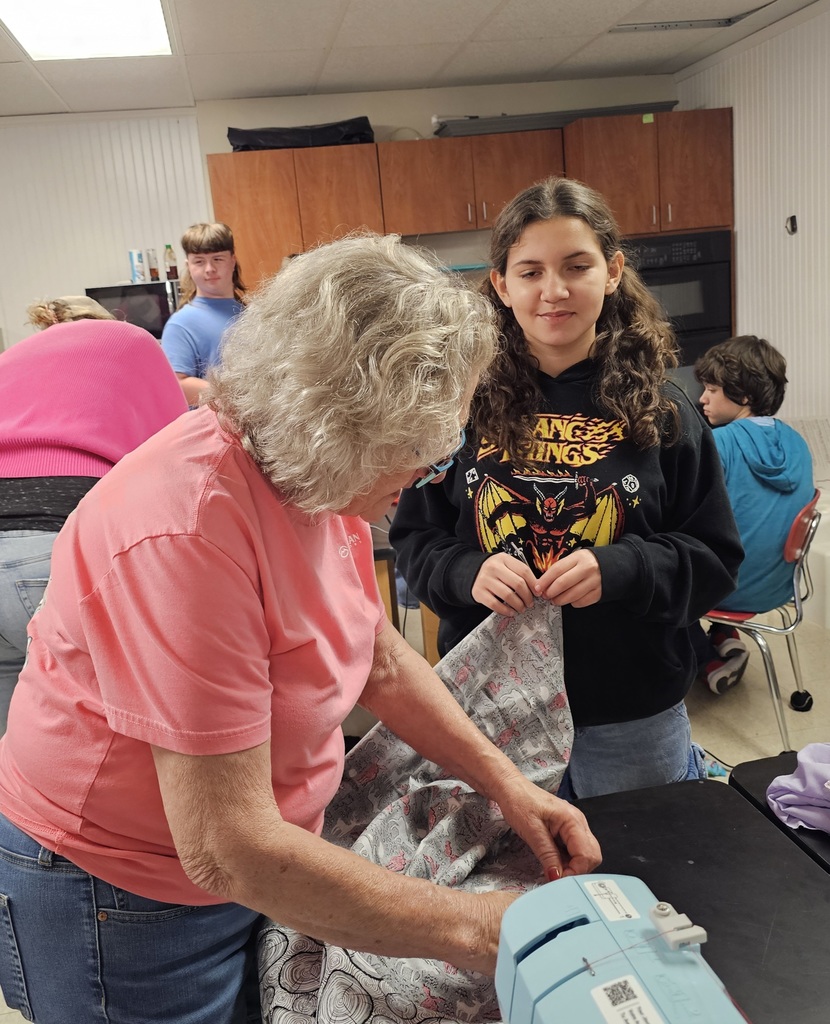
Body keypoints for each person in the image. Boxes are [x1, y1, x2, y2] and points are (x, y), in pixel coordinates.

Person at [0, 234, 601, 1024]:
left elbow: (378, 656)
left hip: (238, 868)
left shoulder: (312, 481)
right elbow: (229, 847)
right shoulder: (186, 531)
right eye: (423, 449)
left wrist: (508, 784)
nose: (428, 476)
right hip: (122, 896)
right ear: (341, 425)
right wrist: (484, 928)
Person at [390, 177, 744, 801]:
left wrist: (625, 566)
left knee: (645, 881)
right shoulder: (456, 409)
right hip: (491, 710)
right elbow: (415, 541)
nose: (553, 291)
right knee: (511, 886)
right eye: (530, 272)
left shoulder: (664, 412)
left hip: (632, 712)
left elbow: (715, 561)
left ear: (611, 273)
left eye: (575, 267)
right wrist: (466, 571)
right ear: (501, 284)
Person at [0, 297, 186, 734]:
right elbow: (179, 450)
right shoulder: (130, 343)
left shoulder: (15, 358)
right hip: (48, 550)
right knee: (95, 739)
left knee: (12, 767)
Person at [692, 335, 815, 693]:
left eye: (712, 389)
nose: (702, 398)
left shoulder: (718, 443)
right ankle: (725, 634)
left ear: (743, 397)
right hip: (779, 586)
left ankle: (708, 662)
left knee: (659, 580)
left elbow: (686, 519)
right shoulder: (797, 442)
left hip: (731, 588)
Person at [160, 222, 247, 406]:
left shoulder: (252, 313)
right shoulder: (181, 323)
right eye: (199, 261)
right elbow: (178, 385)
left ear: (232, 261)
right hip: (217, 429)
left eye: (218, 259)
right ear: (189, 266)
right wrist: (238, 399)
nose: (209, 269)